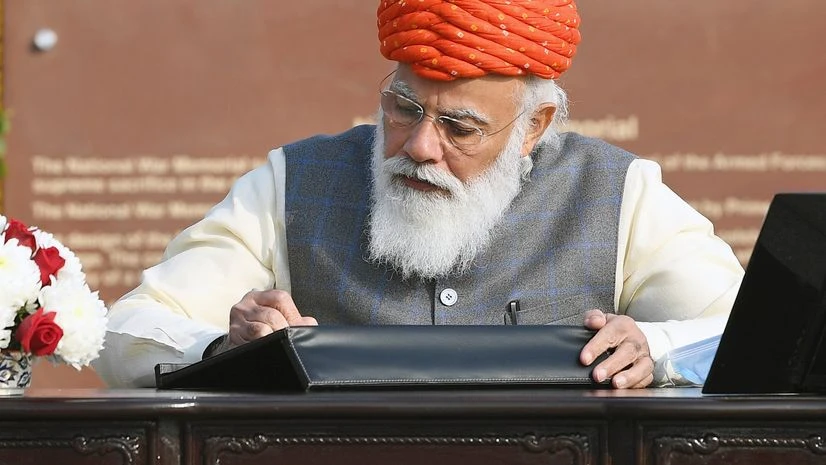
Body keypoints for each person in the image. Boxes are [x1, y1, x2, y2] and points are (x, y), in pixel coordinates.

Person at [93, 0, 744, 389]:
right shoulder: (295, 180)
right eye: (403, 109)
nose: (420, 145)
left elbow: (754, 337)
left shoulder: (617, 192)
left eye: (460, 126)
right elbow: (125, 329)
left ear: (533, 128)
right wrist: (224, 352)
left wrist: (654, 350)